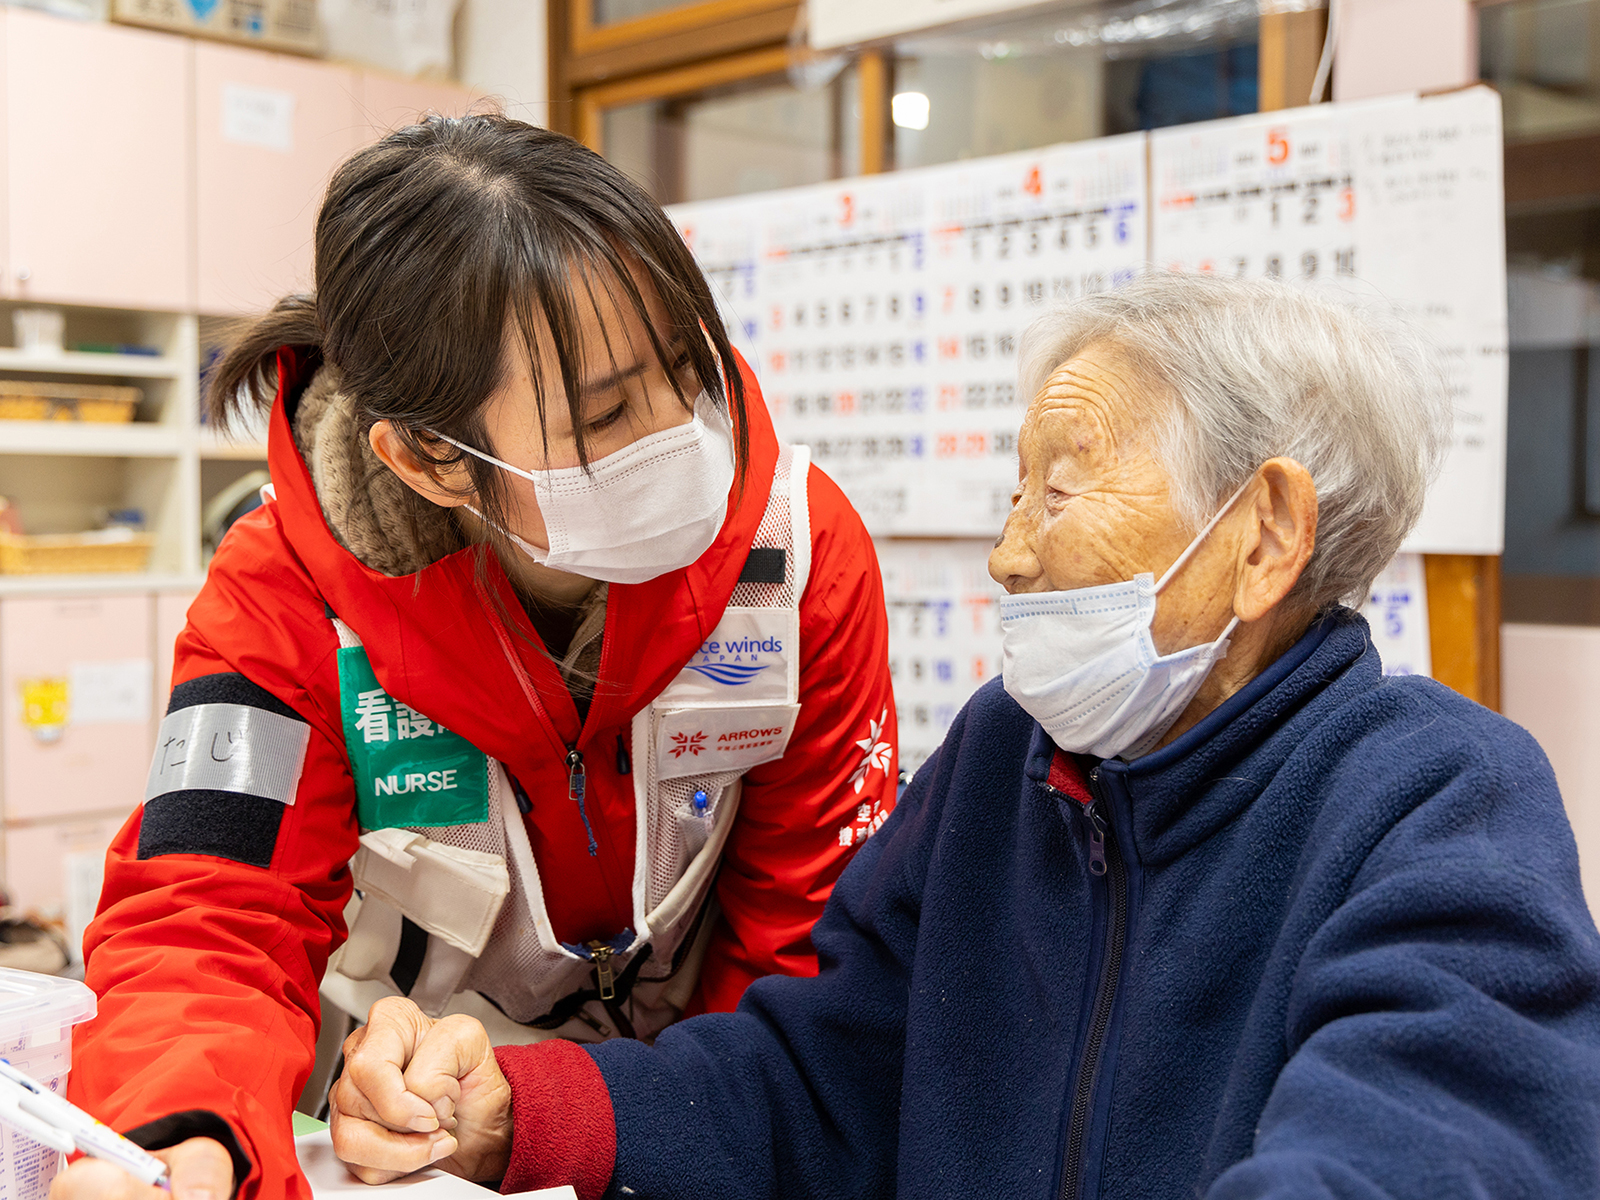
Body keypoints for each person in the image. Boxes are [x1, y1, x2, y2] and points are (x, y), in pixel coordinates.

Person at [325, 273, 1600, 1200]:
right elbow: (830, 1075)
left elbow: (1432, 1142)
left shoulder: (1435, 796)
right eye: (1012, 490)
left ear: (1263, 535)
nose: (1008, 551)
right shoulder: (1010, 755)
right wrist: (517, 1110)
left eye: (1060, 487)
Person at [55, 115, 898, 1199]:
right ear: (427, 459)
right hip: (404, 1149)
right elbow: (209, 916)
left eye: (685, 369)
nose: (680, 435)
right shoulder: (282, 597)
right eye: (605, 415)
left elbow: (813, 950)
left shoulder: (799, 557)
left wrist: (687, 1132)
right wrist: (182, 1138)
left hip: (700, 1120)